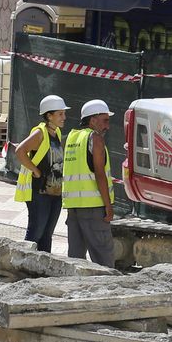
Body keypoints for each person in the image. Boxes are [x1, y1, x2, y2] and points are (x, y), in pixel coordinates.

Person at [62, 99, 116, 267]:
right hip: (93, 209)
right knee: (103, 258)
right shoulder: (96, 139)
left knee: (75, 259)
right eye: (105, 120)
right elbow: (100, 174)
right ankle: (106, 291)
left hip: (74, 208)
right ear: (93, 120)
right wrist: (108, 206)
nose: (108, 126)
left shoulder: (72, 138)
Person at [12, 94, 69, 252]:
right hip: (40, 192)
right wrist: (36, 171)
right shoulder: (40, 133)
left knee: (46, 235)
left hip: (55, 192)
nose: (64, 117)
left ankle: (42, 272)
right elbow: (20, 151)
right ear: (49, 116)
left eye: (64, 113)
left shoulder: (56, 133)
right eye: (60, 114)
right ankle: (23, 264)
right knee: (35, 233)